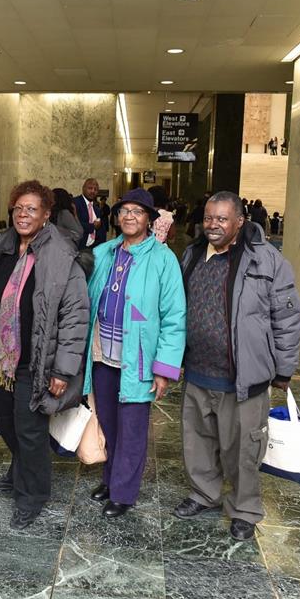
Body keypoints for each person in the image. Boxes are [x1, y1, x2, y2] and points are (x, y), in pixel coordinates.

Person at [174, 191, 300, 541]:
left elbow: (288, 318)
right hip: (198, 372)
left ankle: (244, 508)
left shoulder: (266, 260)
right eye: (208, 217)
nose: (213, 224)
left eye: (222, 218)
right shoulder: (192, 255)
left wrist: (284, 369)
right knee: (197, 441)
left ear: (239, 222)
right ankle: (204, 493)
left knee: (243, 449)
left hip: (243, 377)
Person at [0, 181, 89, 529]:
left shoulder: (59, 255)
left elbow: (75, 315)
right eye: (18, 208)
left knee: (30, 431)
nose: (23, 214)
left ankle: (33, 494)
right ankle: (20, 469)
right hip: (0, 360)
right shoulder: (3, 247)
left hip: (36, 360)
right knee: (7, 423)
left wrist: (63, 370)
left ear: (47, 214)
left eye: (32, 209)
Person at [83, 188, 186, 519]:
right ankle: (111, 480)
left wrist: (164, 368)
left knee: (132, 430)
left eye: (137, 211)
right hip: (102, 356)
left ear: (149, 219)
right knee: (109, 424)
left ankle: (124, 492)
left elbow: (174, 317)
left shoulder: (163, 259)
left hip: (138, 361)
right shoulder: (103, 253)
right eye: (124, 210)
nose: (129, 216)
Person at [73, 178, 107, 251]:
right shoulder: (75, 203)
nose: (93, 191)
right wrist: (92, 226)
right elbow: (74, 224)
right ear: (83, 188)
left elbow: (100, 229)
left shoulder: (96, 209)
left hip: (93, 248)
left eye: (95, 189)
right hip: (78, 248)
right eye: (90, 188)